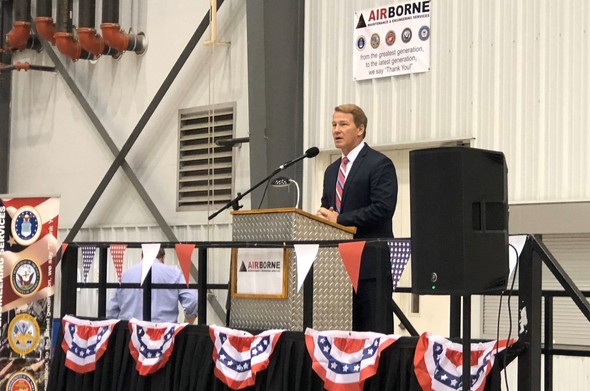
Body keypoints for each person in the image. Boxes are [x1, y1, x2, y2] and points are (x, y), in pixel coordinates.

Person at [316, 104, 398, 333]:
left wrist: (340, 219)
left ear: (360, 129)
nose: (336, 130)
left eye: (343, 124)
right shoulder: (332, 170)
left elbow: (383, 208)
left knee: (373, 334)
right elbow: (328, 208)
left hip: (370, 265)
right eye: (333, 125)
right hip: (337, 267)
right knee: (341, 335)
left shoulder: (379, 164)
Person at [107, 248, 198, 324]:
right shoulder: (174, 274)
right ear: (162, 258)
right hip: (163, 335)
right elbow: (193, 299)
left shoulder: (125, 275)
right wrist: (186, 324)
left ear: (142, 256)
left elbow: (111, 311)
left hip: (130, 333)